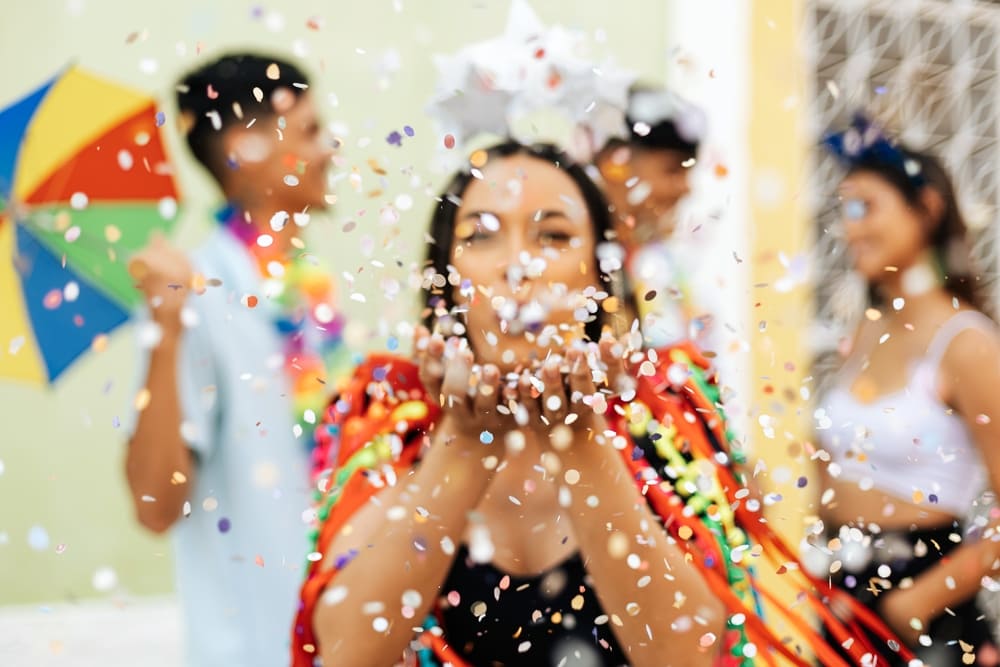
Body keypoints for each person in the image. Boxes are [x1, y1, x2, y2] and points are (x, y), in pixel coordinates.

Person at [292, 142, 912, 667]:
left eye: (553, 235)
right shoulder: (388, 411)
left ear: (597, 277)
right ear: (447, 277)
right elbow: (345, 651)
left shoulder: (666, 407)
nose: (517, 266)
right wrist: (463, 441)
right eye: (481, 237)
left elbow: (693, 655)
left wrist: (581, 440)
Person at [124, 52, 348, 666]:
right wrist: (166, 335)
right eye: (308, 130)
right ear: (246, 149)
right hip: (252, 648)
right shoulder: (194, 295)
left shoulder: (311, 288)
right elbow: (154, 506)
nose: (330, 147)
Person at [809, 113, 1000, 666]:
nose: (849, 229)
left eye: (865, 207)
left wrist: (915, 602)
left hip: (925, 614)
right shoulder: (869, 328)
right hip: (842, 601)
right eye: (843, 210)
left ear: (927, 210)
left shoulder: (966, 343)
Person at [594, 86, 713, 350]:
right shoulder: (579, 264)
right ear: (616, 164)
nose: (686, 188)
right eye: (672, 170)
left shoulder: (664, 264)